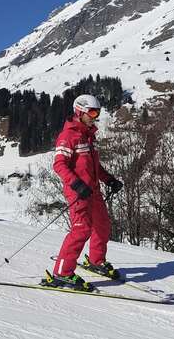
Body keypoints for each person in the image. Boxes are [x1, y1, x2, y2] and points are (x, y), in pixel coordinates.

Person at [47, 94, 123, 291]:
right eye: (91, 112)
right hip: (78, 192)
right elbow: (59, 165)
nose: (95, 116)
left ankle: (97, 261)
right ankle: (62, 273)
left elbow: (94, 166)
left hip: (93, 190)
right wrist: (76, 184)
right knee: (82, 229)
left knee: (102, 225)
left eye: (97, 112)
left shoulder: (89, 136)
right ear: (79, 111)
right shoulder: (68, 136)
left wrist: (109, 179)